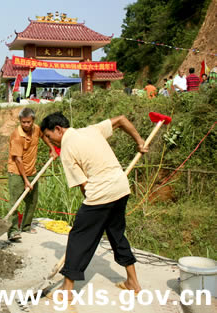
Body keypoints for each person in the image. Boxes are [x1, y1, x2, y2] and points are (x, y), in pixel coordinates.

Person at [40, 112, 147, 301]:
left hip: (101, 194)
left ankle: (67, 290)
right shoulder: (91, 130)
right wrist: (139, 141)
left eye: (49, 136)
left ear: (58, 129)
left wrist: (90, 210)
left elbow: (84, 185)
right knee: (116, 234)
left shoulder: (66, 148)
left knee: (79, 237)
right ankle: (133, 282)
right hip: (121, 188)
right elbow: (121, 120)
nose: (51, 141)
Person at [7, 108, 58, 241]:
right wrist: (25, 180)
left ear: (33, 121)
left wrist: (51, 148)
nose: (26, 125)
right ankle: (12, 231)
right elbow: (18, 160)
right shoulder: (17, 136)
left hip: (32, 172)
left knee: (32, 201)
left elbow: (43, 136)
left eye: (28, 122)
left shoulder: (36, 129)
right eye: (23, 122)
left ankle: (26, 226)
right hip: (17, 173)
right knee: (15, 203)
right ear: (20, 121)